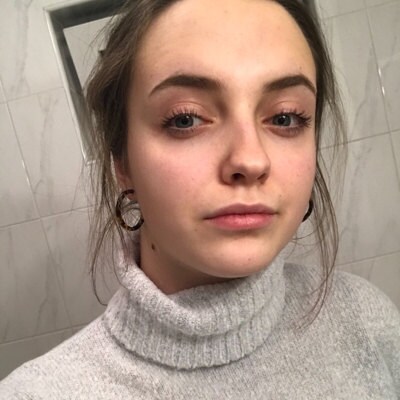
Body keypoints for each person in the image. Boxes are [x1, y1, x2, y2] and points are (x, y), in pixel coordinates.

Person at [0, 0, 399, 398]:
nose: (251, 160)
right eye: (185, 118)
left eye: (285, 117)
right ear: (123, 162)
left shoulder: (364, 318)